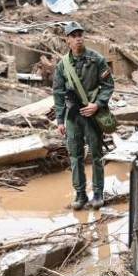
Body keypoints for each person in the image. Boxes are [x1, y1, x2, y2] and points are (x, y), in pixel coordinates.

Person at [52, 21, 114, 210]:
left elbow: (108, 86)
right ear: (67, 40)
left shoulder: (97, 59)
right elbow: (58, 93)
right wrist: (60, 120)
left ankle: (98, 194)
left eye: (80, 35)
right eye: (74, 36)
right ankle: (80, 195)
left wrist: (97, 105)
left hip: (92, 115)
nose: (78, 38)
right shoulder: (62, 65)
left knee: (96, 154)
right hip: (73, 116)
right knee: (75, 156)